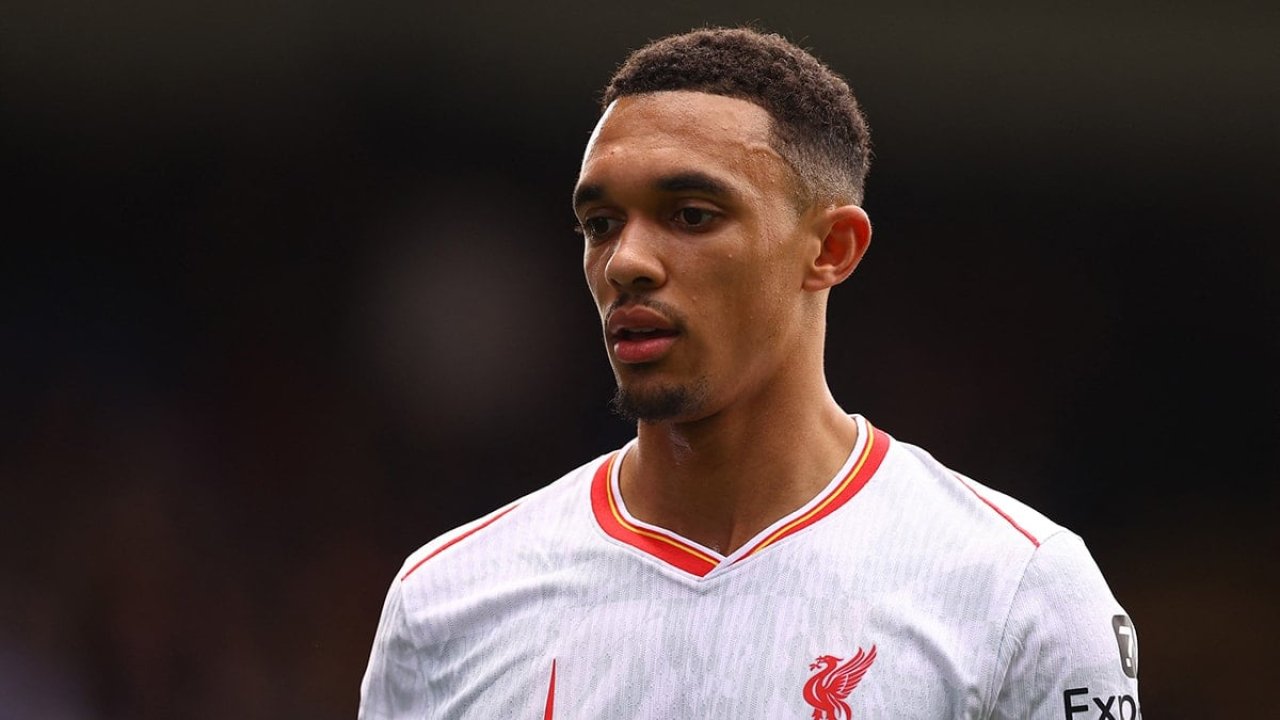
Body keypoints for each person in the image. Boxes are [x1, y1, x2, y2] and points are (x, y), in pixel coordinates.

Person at [358, 27, 1140, 719]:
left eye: (691, 215)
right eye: (601, 224)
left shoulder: (1018, 591)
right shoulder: (447, 603)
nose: (626, 261)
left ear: (831, 249)